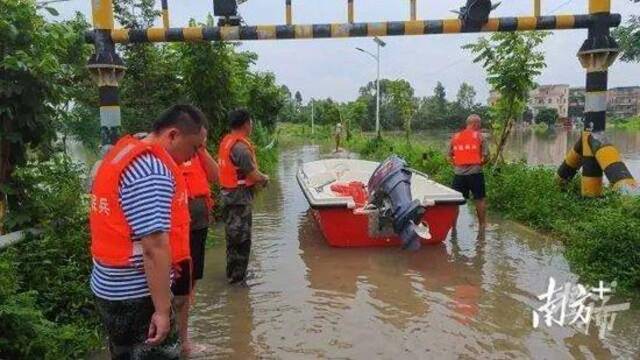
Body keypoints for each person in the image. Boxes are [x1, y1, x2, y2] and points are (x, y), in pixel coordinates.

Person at [89, 104, 207, 359]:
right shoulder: (151, 171)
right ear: (173, 135)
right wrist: (163, 310)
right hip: (135, 294)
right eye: (194, 147)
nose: (192, 157)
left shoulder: (122, 153)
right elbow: (154, 247)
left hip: (108, 287)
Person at [175, 145, 218, 356]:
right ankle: (180, 342)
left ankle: (182, 340)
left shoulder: (198, 153)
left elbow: (215, 175)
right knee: (178, 287)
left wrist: (201, 149)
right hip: (176, 231)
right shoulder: (165, 156)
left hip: (198, 227)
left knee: (190, 284)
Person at [218, 109, 269, 286]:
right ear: (246, 124)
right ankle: (238, 281)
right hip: (239, 200)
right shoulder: (240, 148)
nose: (252, 125)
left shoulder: (226, 142)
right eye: (251, 122)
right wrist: (265, 179)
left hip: (229, 196)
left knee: (233, 237)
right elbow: (253, 175)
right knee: (241, 239)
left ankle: (235, 273)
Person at [449, 114, 489, 229]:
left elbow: (448, 156)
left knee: (455, 202)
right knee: (480, 199)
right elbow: (486, 157)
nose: (480, 126)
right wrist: (480, 164)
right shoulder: (480, 137)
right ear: (475, 124)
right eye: (479, 124)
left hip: (459, 175)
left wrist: (456, 165)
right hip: (476, 173)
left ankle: (453, 227)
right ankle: (482, 225)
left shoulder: (455, 137)